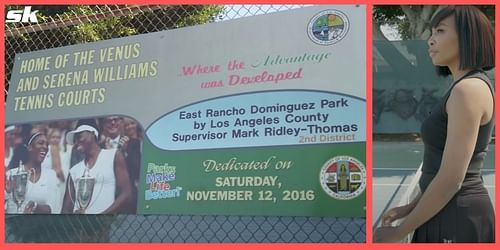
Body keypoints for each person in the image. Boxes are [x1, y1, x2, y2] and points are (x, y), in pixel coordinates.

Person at [374, 6, 495, 243]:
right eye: (431, 32)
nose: (430, 40)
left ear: (468, 35)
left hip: (456, 217)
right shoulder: (462, 87)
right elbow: (439, 172)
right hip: (442, 212)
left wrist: (398, 232)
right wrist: (410, 207)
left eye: (440, 31)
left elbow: (452, 179)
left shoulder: (467, 90)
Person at [61, 124, 132, 214]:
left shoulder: (113, 156)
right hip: (79, 225)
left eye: (79, 137)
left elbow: (126, 194)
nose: (77, 142)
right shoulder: (74, 170)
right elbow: (66, 208)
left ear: (92, 134)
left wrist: (102, 216)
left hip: (106, 223)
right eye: (75, 140)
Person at [5, 132, 60, 214]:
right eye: (40, 143)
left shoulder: (51, 175)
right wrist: (7, 192)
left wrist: (35, 206)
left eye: (47, 144)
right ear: (30, 147)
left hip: (39, 225)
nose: (45, 147)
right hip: (14, 224)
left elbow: (52, 208)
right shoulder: (12, 174)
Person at [99, 116, 141, 213]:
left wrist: (124, 153)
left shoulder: (133, 143)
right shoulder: (99, 147)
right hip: (104, 199)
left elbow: (136, 171)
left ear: (121, 122)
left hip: (128, 201)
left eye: (116, 120)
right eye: (108, 121)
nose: (112, 123)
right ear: (103, 125)